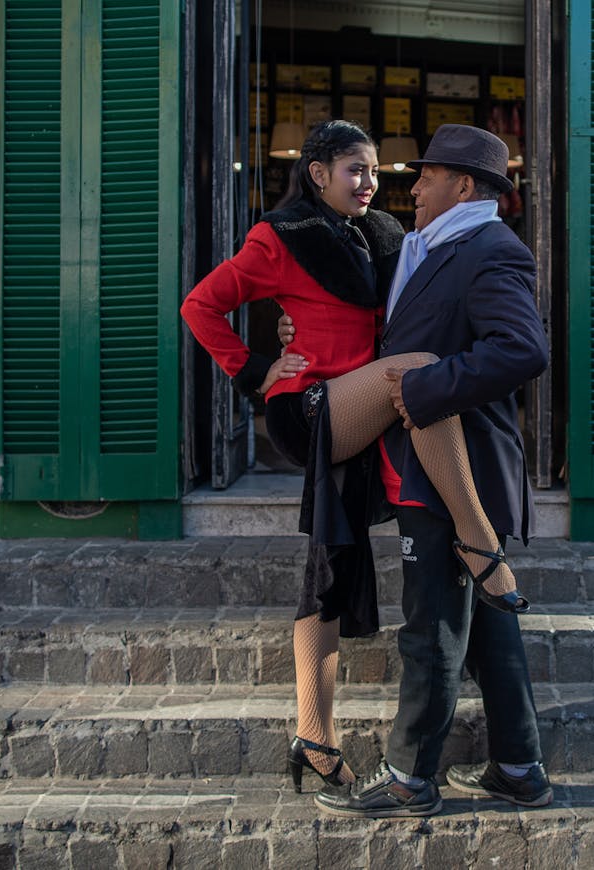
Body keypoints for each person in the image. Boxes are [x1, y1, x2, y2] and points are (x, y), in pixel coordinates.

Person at [180, 120, 527, 797]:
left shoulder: (388, 237)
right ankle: (478, 538)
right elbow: (201, 306)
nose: (372, 183)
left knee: (328, 568)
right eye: (354, 170)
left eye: (376, 171)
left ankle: (315, 736)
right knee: (421, 371)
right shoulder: (280, 237)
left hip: (366, 408)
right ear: (316, 174)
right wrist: (257, 369)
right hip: (311, 409)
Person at [311, 124, 550, 819]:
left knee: (432, 626)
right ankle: (518, 766)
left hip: (459, 470)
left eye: (428, 176)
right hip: (428, 463)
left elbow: (522, 350)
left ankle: (411, 778)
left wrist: (424, 388)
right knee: (487, 628)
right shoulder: (435, 248)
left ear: (465, 187)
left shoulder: (491, 250)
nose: (412, 188)